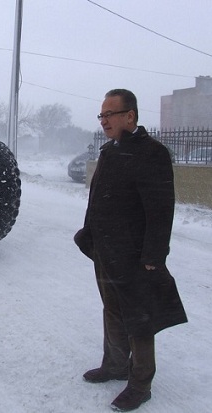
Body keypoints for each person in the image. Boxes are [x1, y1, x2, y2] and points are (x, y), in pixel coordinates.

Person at [74, 89, 187, 412]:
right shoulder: (111, 151)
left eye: (109, 114)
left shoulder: (152, 153)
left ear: (130, 116)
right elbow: (99, 198)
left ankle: (140, 383)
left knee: (139, 317)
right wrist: (90, 237)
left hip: (135, 255)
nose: (104, 120)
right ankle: (114, 364)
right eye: (101, 115)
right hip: (105, 250)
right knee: (112, 310)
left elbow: (161, 209)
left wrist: (154, 256)